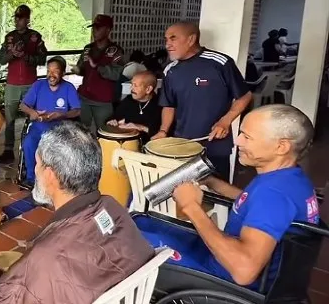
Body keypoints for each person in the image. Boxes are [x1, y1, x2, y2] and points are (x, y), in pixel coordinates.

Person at [0, 122, 154, 304]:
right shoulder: (113, 207)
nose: (35, 170)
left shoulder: (46, 258)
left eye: (37, 164)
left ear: (50, 175)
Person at [136, 105, 319, 290]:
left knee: (127, 244)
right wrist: (211, 181)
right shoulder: (290, 179)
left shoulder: (273, 194)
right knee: (140, 223)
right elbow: (253, 203)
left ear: (281, 147)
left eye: (247, 137)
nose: (238, 141)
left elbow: (243, 272)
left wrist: (191, 206)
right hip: (227, 257)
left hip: (222, 279)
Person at [151, 22, 252, 181]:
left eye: (173, 38)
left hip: (215, 144)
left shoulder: (220, 62)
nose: (167, 44)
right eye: (166, 39)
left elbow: (244, 96)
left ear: (191, 39)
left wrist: (225, 121)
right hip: (182, 145)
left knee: (217, 193)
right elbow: (169, 105)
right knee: (185, 193)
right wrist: (163, 131)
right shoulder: (171, 70)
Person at [17, 57, 80, 189]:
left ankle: (56, 180)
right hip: (39, 126)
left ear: (63, 73)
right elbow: (23, 105)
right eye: (48, 71)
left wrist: (61, 114)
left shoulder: (68, 88)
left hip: (59, 129)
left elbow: (77, 111)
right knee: (28, 143)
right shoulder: (38, 85)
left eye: (55, 71)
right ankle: (31, 178)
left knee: (56, 149)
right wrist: (33, 113)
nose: (51, 75)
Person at [0, 5, 47, 164]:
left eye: (22, 18)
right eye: (16, 18)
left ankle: (29, 150)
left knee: (31, 118)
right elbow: (1, 59)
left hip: (30, 85)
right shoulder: (9, 37)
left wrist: (26, 56)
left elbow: (42, 59)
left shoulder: (35, 37)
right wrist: (12, 54)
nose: (18, 21)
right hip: (12, 84)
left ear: (27, 20)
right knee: (9, 119)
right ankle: (8, 150)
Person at [74, 15, 125, 131]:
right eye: (93, 28)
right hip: (84, 98)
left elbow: (116, 74)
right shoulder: (88, 48)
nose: (94, 31)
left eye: (98, 28)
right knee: (81, 131)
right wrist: (78, 70)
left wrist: (97, 67)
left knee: (104, 131)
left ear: (108, 30)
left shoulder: (116, 51)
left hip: (103, 101)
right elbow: (82, 69)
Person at [107, 71, 162, 143]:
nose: (131, 88)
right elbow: (114, 117)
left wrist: (141, 127)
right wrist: (111, 121)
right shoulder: (129, 100)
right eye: (131, 84)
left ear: (148, 89)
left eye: (135, 85)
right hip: (128, 144)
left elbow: (163, 134)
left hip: (150, 147)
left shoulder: (160, 105)